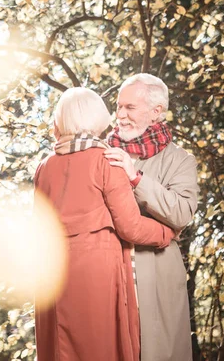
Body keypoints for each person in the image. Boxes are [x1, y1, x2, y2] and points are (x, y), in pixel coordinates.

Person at [33, 87, 176, 361]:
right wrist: (166, 232)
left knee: (58, 348)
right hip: (96, 270)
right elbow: (131, 227)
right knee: (99, 347)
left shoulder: (44, 167)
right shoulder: (107, 160)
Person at [104, 73, 199, 361]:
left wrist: (135, 178)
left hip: (157, 273)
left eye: (130, 108)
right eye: (119, 107)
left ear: (156, 112)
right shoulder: (102, 152)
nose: (120, 115)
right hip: (110, 271)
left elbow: (182, 212)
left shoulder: (180, 160)